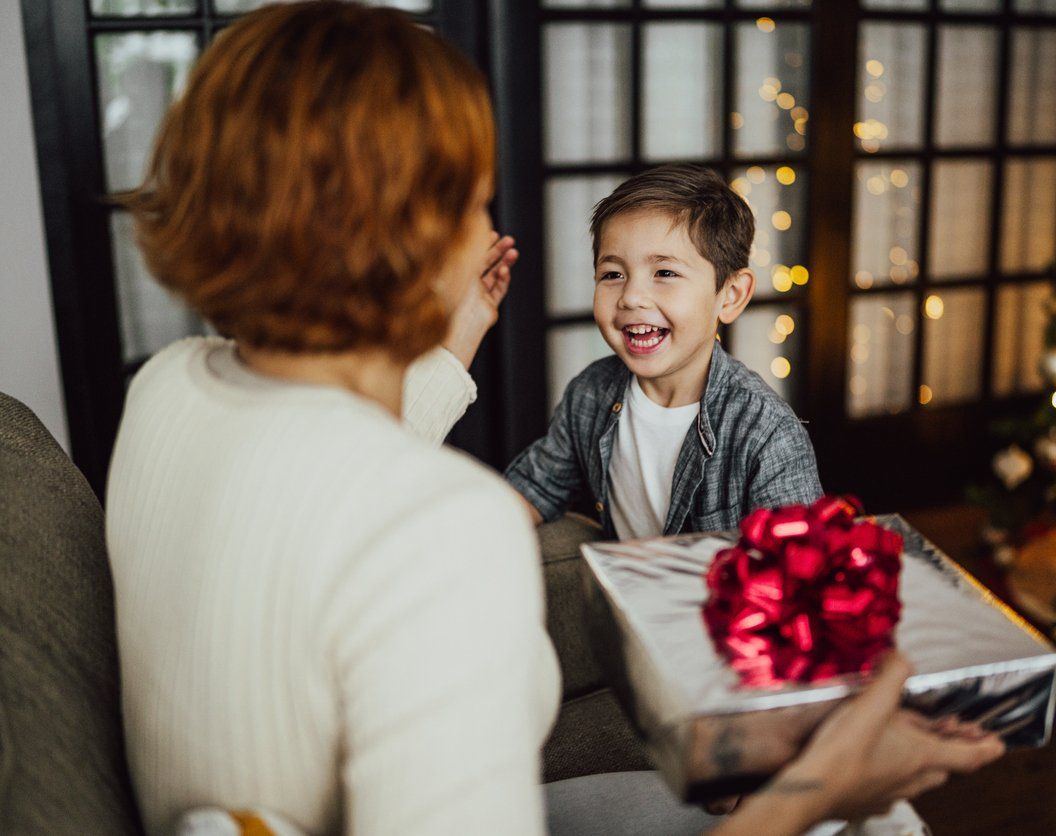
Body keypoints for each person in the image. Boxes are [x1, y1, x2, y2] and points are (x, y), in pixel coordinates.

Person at [105, 2, 1003, 834]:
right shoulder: (442, 528)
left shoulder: (168, 387)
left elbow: (325, 486)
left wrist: (451, 342)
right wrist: (817, 793)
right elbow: (407, 511)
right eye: (472, 198)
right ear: (405, 236)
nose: (489, 225)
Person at [506, 166, 823, 540]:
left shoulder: (765, 432)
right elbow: (536, 488)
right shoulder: (590, 393)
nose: (631, 297)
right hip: (625, 592)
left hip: (719, 599)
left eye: (665, 273)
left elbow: (800, 558)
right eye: (613, 274)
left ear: (731, 295)